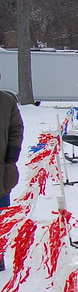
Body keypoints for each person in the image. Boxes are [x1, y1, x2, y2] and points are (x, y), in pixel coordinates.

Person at [0, 84, 23, 272]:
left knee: (1, 219)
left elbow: (16, 129)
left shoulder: (6, 101)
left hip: (1, 174)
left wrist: (11, 158)